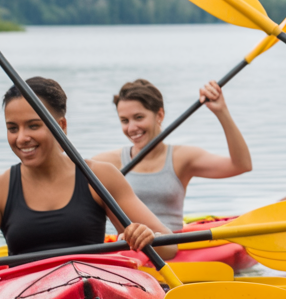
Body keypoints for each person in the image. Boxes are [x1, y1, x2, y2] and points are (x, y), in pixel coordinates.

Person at [0, 77, 174, 276]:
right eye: (12, 128)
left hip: (90, 292)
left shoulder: (100, 176)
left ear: (61, 125)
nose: (22, 138)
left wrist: (147, 235)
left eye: (33, 126)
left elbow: (169, 247)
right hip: (23, 297)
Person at [94, 79, 252, 233]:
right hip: (128, 251)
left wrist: (221, 111)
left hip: (173, 248)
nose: (132, 128)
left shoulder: (181, 157)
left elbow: (241, 165)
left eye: (139, 117)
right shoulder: (108, 163)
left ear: (160, 115)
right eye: (124, 120)